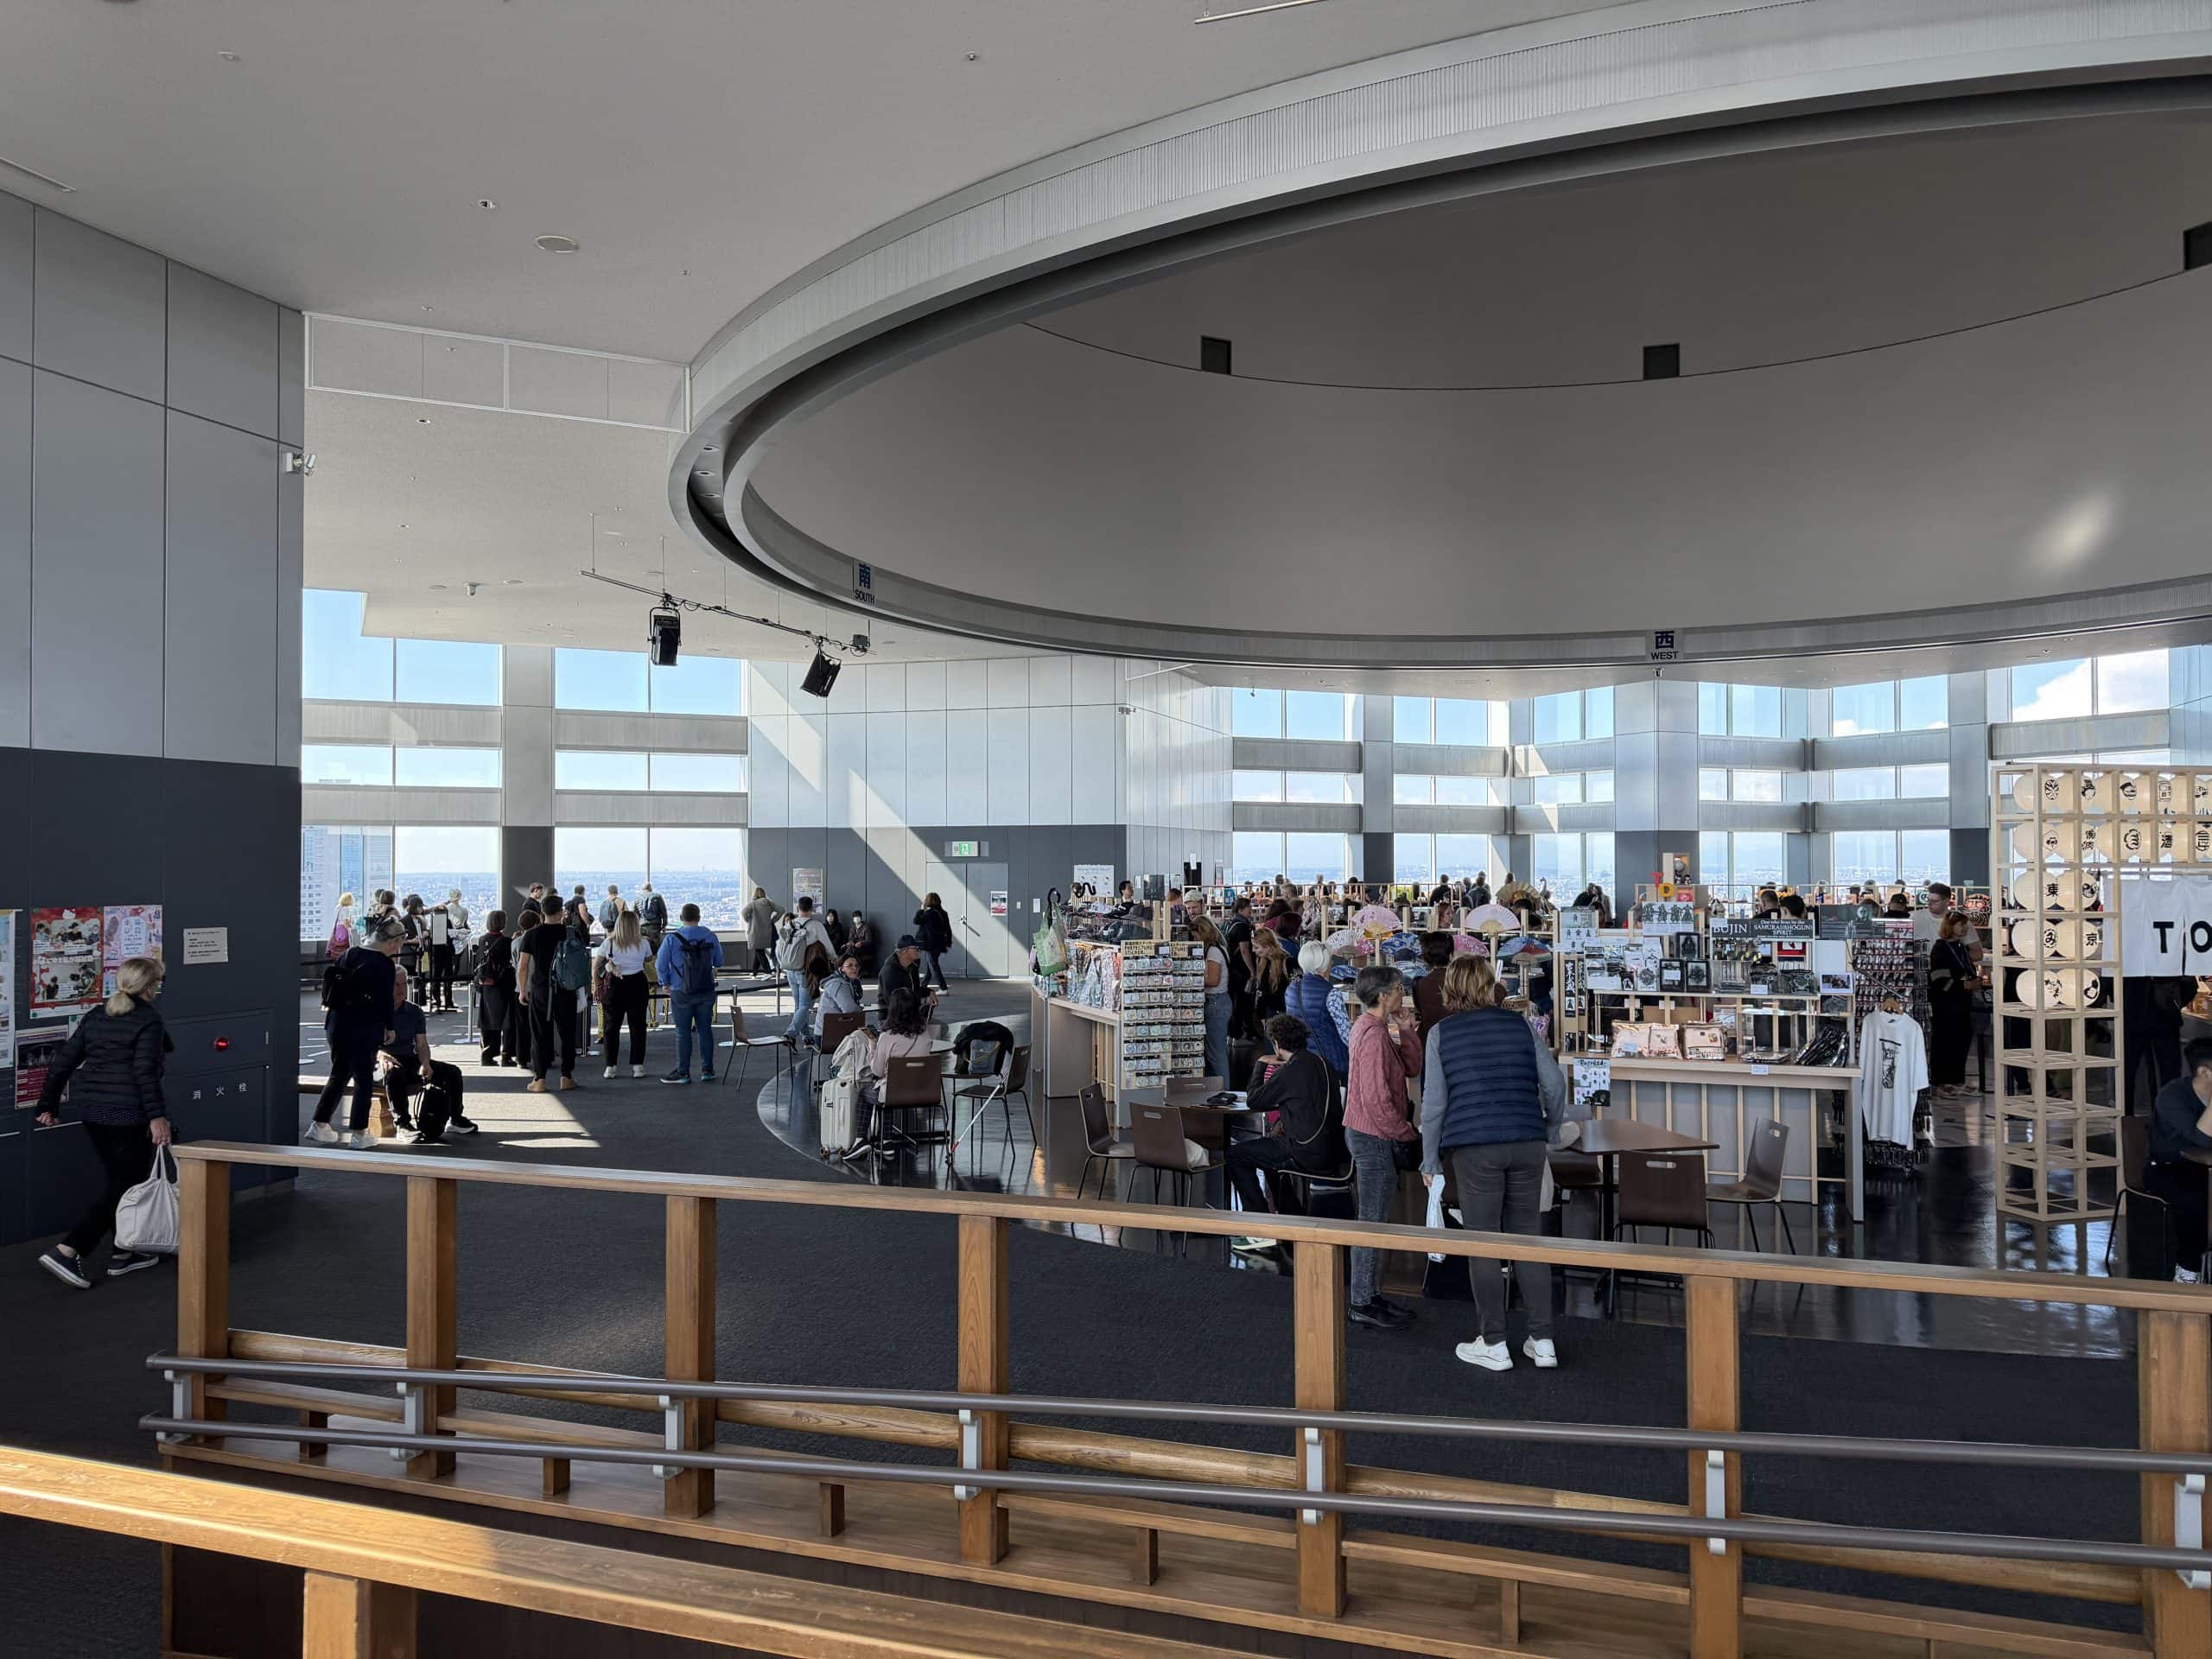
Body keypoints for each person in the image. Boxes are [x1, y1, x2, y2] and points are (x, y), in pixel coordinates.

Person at [1421, 955, 1568, 1373]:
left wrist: (1429, 1158)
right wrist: (1551, 1129)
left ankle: (1495, 1342)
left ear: (1451, 987)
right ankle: (1543, 1342)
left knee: (1483, 1242)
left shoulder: (1441, 1034)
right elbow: (1555, 1084)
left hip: (1474, 1146)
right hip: (1527, 1140)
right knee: (1528, 1239)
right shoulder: (1519, 1025)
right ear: (1489, 985)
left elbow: (1434, 1106)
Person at [33, 957, 174, 1288]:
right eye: (157, 982)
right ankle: (69, 1249)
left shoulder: (98, 1015)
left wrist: (47, 1104)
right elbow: (144, 1073)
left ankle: (124, 1253)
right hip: (128, 1114)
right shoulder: (148, 1020)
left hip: (94, 1113)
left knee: (120, 1181)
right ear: (149, 986)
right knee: (124, 1186)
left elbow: (63, 1063)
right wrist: (157, 1117)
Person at [1344, 966, 1425, 1329]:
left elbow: (1409, 1067)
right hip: (1374, 1136)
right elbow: (1376, 1098)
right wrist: (1403, 1132)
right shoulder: (1373, 1036)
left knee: (1374, 1220)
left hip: (1371, 1133)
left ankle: (1370, 1294)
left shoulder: (1370, 1028)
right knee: (1371, 1222)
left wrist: (1407, 1034)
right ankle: (1362, 1299)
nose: (1401, 994)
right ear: (1382, 996)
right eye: (1397, 989)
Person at [1225, 1014, 1346, 1241]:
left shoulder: (1289, 1072)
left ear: (1277, 1045)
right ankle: (1289, 1214)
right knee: (1269, 1153)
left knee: (1236, 1155)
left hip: (1306, 1152)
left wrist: (1261, 1065)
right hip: (1335, 1151)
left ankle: (1259, 1225)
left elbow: (1254, 1100)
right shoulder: (1322, 1063)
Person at [310, 913, 404, 1147]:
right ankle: (360, 1133)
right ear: (393, 941)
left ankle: (320, 1124)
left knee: (339, 1073)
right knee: (363, 1078)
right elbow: (384, 1001)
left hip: (337, 1022)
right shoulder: (384, 965)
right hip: (364, 1026)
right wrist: (389, 1027)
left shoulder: (349, 954)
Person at [378, 968, 476, 1143]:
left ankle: (455, 1118)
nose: (402, 989)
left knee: (452, 1072)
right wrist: (382, 1055)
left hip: (407, 1058)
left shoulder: (414, 1011)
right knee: (395, 1072)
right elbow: (364, 1045)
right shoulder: (374, 1012)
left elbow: (422, 1044)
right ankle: (402, 1124)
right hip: (377, 1062)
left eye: (404, 984)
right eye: (396, 985)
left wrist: (425, 1063)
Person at [2147, 1038, 2212, 1281]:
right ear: (2205, 1072)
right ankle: (2188, 1268)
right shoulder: (2172, 1095)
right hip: (2167, 1168)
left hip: (2205, 1169)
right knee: (2198, 1199)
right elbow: (2202, 1140)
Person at [849, 988, 935, 1155]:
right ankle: (885, 1140)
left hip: (894, 1093)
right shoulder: (925, 1033)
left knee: (867, 1093)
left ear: (893, 1009)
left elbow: (877, 1071)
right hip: (923, 1091)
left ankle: (860, 1140)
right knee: (887, 1088)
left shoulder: (887, 1037)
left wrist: (873, 1047)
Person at [517, 899, 588, 1093]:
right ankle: (566, 1077)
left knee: (540, 1034)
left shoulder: (532, 935)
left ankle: (539, 1079)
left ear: (542, 911)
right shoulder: (571, 933)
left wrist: (523, 990)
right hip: (566, 990)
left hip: (541, 990)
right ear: (562, 913)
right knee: (567, 1034)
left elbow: (523, 966)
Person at [656, 903, 724, 1084]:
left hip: (680, 990)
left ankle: (683, 1072)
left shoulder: (672, 939)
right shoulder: (710, 936)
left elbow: (660, 965)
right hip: (706, 989)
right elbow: (719, 961)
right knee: (705, 1030)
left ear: (681, 918)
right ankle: (707, 1070)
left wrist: (665, 983)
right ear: (699, 917)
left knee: (682, 1032)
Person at [594, 907, 653, 1078]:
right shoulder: (643, 943)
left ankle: (610, 1066)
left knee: (611, 1027)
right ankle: (638, 1066)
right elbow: (648, 958)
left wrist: (598, 983)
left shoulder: (609, 943)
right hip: (637, 983)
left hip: (615, 985)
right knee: (638, 1025)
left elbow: (596, 965)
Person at [1928, 912, 1980, 1098]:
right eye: (1961, 925)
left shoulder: (1960, 947)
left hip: (1962, 1004)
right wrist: (1962, 984)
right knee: (1945, 1042)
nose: (1965, 928)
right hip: (1946, 1005)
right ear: (1950, 927)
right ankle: (1940, 1082)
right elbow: (1937, 978)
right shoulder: (1940, 948)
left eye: (1966, 925)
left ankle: (1957, 1080)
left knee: (1962, 1039)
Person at [1285, 941, 1351, 1081]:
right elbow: (1347, 1036)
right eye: (1330, 960)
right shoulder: (1331, 993)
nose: (1332, 964)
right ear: (1322, 964)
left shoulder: (1291, 990)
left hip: (1302, 1061)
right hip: (1332, 1063)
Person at [779, 896, 835, 1042]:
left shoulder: (788, 925)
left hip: (790, 970)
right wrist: (835, 959)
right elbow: (827, 946)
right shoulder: (815, 926)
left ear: (798, 908)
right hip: (806, 971)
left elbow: (779, 950)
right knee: (806, 1005)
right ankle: (790, 1034)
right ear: (812, 909)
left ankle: (806, 1036)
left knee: (799, 1005)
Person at [474, 910, 520, 1067]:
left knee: (488, 1019)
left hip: (486, 984)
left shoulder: (482, 940)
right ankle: (506, 1055)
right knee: (507, 1020)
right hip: (504, 985)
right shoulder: (507, 941)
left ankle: (487, 1055)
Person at [1190, 915, 1232, 1081]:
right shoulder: (1219, 947)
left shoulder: (1213, 951)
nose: (1195, 940)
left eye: (1195, 936)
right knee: (1214, 1051)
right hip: (1219, 1002)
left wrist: (1190, 979)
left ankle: (1224, 1090)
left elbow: (1213, 981)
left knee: (1216, 1052)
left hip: (1216, 1002)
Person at [1222, 893, 1256, 1040]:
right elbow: (1245, 950)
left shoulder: (1230, 923)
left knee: (1234, 1001)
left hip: (1231, 968)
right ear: (1241, 909)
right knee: (1242, 1002)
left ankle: (1231, 1034)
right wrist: (1252, 971)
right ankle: (1238, 1034)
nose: (1251, 910)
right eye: (1249, 907)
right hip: (1241, 970)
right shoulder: (1242, 927)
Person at [1410, 931, 1454, 1040]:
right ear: (1451, 955)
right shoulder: (1459, 981)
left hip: (1428, 1041)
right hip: (1456, 1040)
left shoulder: (1420, 983)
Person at [880, 934, 936, 1015]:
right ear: (904, 951)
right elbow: (892, 1002)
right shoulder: (889, 972)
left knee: (939, 1026)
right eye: (915, 948)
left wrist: (929, 992)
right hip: (891, 1018)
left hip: (908, 1015)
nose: (919, 951)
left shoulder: (912, 966)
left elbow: (914, 989)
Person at [1249, 927, 1293, 1027]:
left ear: (1268, 946)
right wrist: (1261, 1015)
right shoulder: (1262, 961)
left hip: (1285, 1014)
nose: (1253, 950)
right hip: (1270, 1014)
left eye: (1256, 947)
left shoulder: (1288, 963)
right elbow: (1261, 990)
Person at [816, 952, 865, 1034]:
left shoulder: (851, 982)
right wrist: (859, 1010)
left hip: (833, 1028)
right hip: (828, 1034)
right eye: (850, 966)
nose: (854, 968)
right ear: (841, 968)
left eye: (857, 966)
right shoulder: (839, 984)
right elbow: (850, 1009)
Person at [913, 893, 954, 990]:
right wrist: (948, 944)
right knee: (930, 965)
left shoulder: (929, 914)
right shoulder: (943, 913)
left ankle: (943, 988)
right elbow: (948, 929)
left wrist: (921, 909)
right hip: (940, 944)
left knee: (933, 965)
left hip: (930, 944)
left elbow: (916, 921)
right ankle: (923, 986)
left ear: (927, 901)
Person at [423, 898, 457, 1013]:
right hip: (442, 952)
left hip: (441, 952)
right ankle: (442, 1000)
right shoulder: (442, 922)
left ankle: (442, 1000)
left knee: (442, 977)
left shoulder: (439, 922)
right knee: (442, 977)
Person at [741, 887, 779, 973]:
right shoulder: (769, 903)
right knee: (759, 950)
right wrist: (773, 920)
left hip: (755, 932)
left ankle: (768, 971)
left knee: (759, 951)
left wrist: (749, 921)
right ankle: (754, 972)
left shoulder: (753, 904)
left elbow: (743, 912)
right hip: (767, 932)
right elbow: (781, 910)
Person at [328, 890, 357, 959]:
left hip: (338, 930)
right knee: (345, 947)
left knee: (339, 945)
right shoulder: (346, 909)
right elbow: (346, 922)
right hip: (344, 930)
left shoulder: (338, 908)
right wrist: (353, 930)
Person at [638, 882, 667, 949]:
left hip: (642, 926)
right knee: (655, 945)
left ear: (642, 889)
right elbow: (663, 912)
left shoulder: (637, 898)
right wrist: (664, 925)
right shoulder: (657, 896)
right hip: (655, 925)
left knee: (643, 945)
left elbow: (635, 914)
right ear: (650, 888)